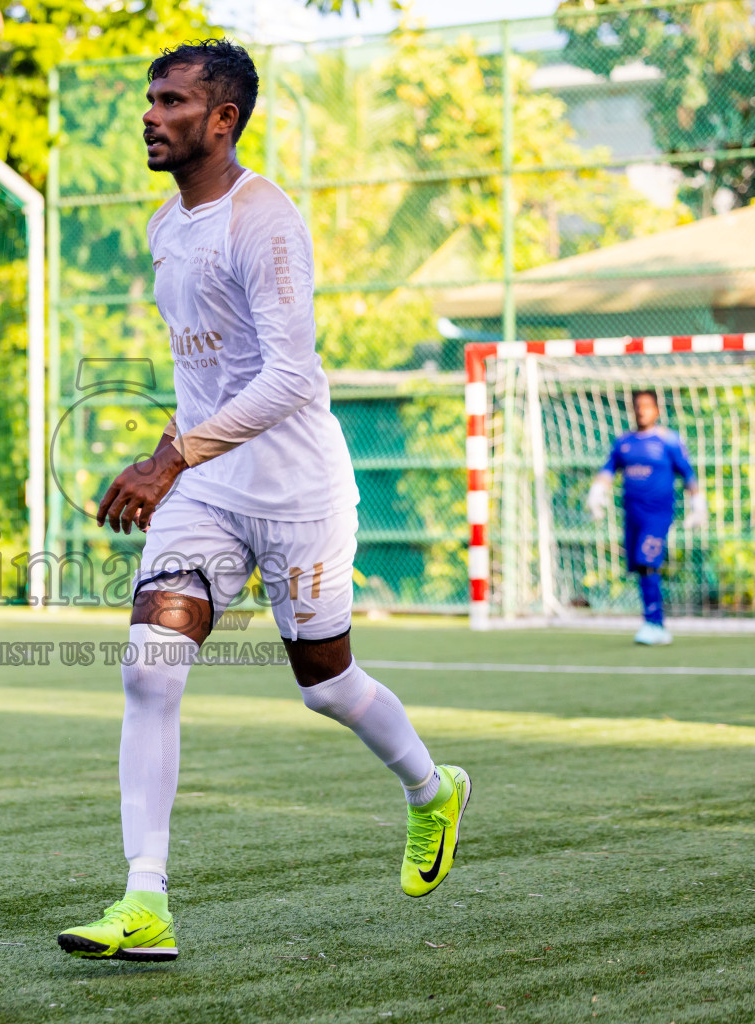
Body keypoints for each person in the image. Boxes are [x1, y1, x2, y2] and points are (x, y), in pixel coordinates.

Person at [55, 40, 470, 964]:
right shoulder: (169, 226)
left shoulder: (266, 221)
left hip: (298, 493)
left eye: (171, 102)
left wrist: (169, 455)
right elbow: (203, 371)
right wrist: (181, 457)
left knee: (326, 684)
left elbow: (290, 378)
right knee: (149, 670)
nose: (152, 115)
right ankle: (144, 901)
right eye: (150, 99)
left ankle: (430, 790)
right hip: (205, 493)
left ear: (222, 118)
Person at [586, 389, 708, 645]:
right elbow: (608, 469)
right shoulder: (624, 442)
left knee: (647, 560)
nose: (642, 410)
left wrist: (698, 504)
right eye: (638, 406)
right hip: (632, 514)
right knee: (640, 568)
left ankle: (654, 623)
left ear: (657, 410)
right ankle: (654, 624)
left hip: (658, 515)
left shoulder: (668, 440)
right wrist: (596, 493)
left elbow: (687, 473)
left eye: (647, 406)